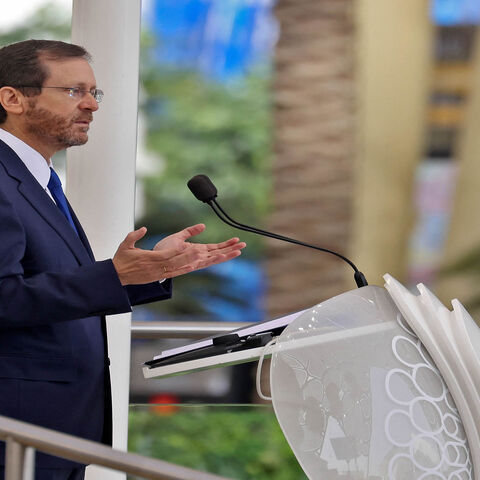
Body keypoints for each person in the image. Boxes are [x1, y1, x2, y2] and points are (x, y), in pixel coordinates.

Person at [0, 39, 245, 480]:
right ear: (12, 98)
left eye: (95, 93)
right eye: (75, 91)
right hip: (17, 430)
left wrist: (149, 271)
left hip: (57, 425)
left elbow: (55, 281)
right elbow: (4, 297)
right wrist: (114, 274)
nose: (92, 105)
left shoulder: (37, 177)